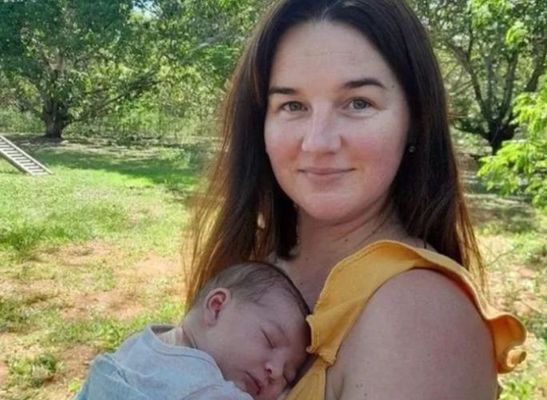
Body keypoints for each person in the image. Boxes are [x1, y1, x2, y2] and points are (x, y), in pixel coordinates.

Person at [185, 0, 527, 398]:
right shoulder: (260, 270)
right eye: (293, 105)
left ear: (415, 119)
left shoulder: (415, 320)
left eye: (358, 103)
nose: (318, 142)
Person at [75, 262, 309, 400]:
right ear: (216, 308)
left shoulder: (142, 342)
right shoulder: (208, 387)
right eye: (269, 339)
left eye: (288, 376)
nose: (276, 372)